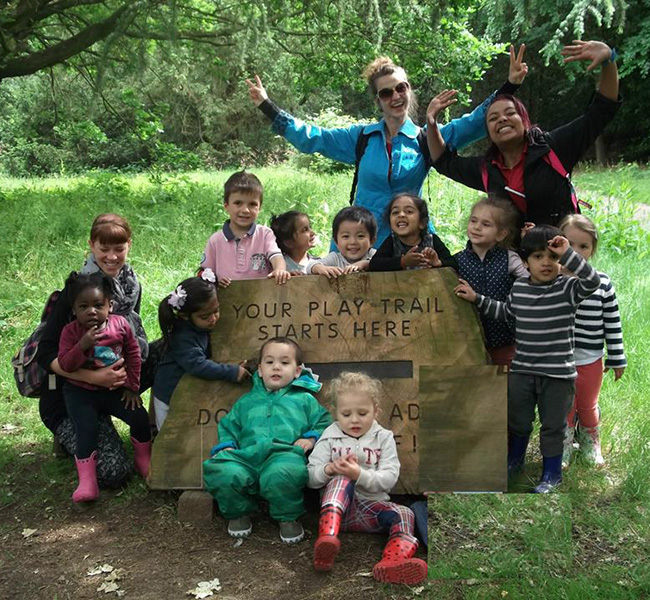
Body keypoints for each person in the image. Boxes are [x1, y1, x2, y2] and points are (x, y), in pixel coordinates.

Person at [246, 47, 527, 245]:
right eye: (386, 92)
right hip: (358, 242)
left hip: (411, 241)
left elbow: (475, 121)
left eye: (401, 88)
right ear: (378, 99)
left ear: (409, 90)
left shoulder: (425, 138)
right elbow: (312, 137)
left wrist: (509, 86)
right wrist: (267, 106)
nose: (395, 96)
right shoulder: (361, 138)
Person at [454, 226, 600, 493]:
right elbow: (506, 311)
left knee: (553, 424)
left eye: (552, 257)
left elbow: (592, 281)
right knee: (518, 419)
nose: (546, 262)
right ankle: (514, 460)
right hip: (522, 371)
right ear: (525, 262)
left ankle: (551, 473)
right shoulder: (520, 287)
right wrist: (477, 299)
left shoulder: (567, 288)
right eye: (537, 257)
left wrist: (568, 253)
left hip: (557, 375)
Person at [426, 41, 621, 227]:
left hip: (561, 257)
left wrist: (608, 60)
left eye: (510, 113)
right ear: (489, 133)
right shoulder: (487, 169)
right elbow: (444, 162)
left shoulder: (552, 149)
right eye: (493, 118)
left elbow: (601, 112)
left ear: (524, 121)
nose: (502, 119)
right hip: (514, 260)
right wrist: (432, 121)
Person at [38, 213, 152, 488]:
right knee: (115, 473)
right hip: (71, 392)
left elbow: (129, 336)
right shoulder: (78, 291)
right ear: (92, 246)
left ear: (129, 246)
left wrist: (130, 383)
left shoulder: (130, 284)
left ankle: (157, 433)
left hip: (116, 385)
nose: (112, 256)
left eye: (119, 249)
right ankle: (77, 434)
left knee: (168, 353)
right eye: (104, 249)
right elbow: (45, 353)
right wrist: (92, 377)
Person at [202, 338, 332, 544]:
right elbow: (229, 426)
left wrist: (310, 438)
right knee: (224, 472)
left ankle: (288, 518)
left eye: (284, 362)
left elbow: (324, 421)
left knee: (283, 474)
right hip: (246, 456)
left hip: (283, 454)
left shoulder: (304, 400)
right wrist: (226, 446)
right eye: (269, 362)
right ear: (260, 370)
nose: (276, 367)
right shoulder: (246, 401)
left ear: (297, 371)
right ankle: (238, 513)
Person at [307, 372, 427, 585]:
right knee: (341, 478)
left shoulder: (384, 437)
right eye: (346, 414)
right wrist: (329, 469)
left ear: (376, 411)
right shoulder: (329, 436)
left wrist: (360, 474)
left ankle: (393, 562)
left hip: (371, 511)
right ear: (335, 413)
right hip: (337, 512)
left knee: (405, 513)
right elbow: (310, 477)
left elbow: (389, 478)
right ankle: (327, 539)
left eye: (362, 413)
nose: (354, 419)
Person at [57, 272, 151, 502]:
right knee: (86, 429)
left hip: (115, 389)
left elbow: (133, 354)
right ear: (74, 310)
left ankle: (144, 461)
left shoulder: (120, 325)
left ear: (110, 305)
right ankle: (87, 482)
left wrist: (132, 387)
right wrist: (83, 345)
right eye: (83, 306)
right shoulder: (70, 332)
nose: (91, 311)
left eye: (98, 305)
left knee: (139, 417)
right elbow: (65, 365)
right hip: (80, 391)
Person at [559, 214, 626, 467]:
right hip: (559, 361)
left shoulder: (603, 283)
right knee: (564, 406)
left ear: (592, 250)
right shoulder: (551, 280)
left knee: (587, 405)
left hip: (590, 360)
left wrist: (617, 357)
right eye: (569, 243)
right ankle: (562, 445)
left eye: (583, 246)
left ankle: (590, 444)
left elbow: (613, 322)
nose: (575, 252)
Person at [152, 271, 249, 431]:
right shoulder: (183, 337)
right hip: (169, 397)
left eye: (216, 311)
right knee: (171, 436)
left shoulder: (199, 328)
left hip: (187, 392)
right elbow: (198, 365)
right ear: (184, 316)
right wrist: (230, 371)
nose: (213, 319)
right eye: (205, 316)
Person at [454, 196, 528, 365]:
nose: (477, 227)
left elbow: (531, 282)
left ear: (501, 234)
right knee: (477, 386)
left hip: (505, 338)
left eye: (486, 224)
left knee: (505, 386)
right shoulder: (457, 260)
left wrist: (529, 245)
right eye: (473, 221)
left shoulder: (509, 258)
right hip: (469, 340)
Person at [199, 171, 290, 287]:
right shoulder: (215, 241)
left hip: (261, 300)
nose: (245, 210)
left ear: (259, 208)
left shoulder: (265, 234)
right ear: (226, 206)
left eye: (252, 204)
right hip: (227, 301)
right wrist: (216, 283)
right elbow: (205, 274)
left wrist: (279, 269)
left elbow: (276, 256)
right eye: (238, 203)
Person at [369, 193, 457, 271]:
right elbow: (374, 264)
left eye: (409, 211)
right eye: (395, 212)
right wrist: (402, 261)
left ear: (422, 222)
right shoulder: (392, 241)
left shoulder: (432, 240)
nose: (401, 215)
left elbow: (454, 264)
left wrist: (438, 263)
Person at [306, 206, 377, 277]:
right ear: (336, 242)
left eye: (360, 236)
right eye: (346, 236)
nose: (353, 242)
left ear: (372, 241)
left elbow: (384, 264)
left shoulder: (373, 255)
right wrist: (320, 268)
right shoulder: (335, 258)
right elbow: (310, 266)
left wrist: (366, 264)